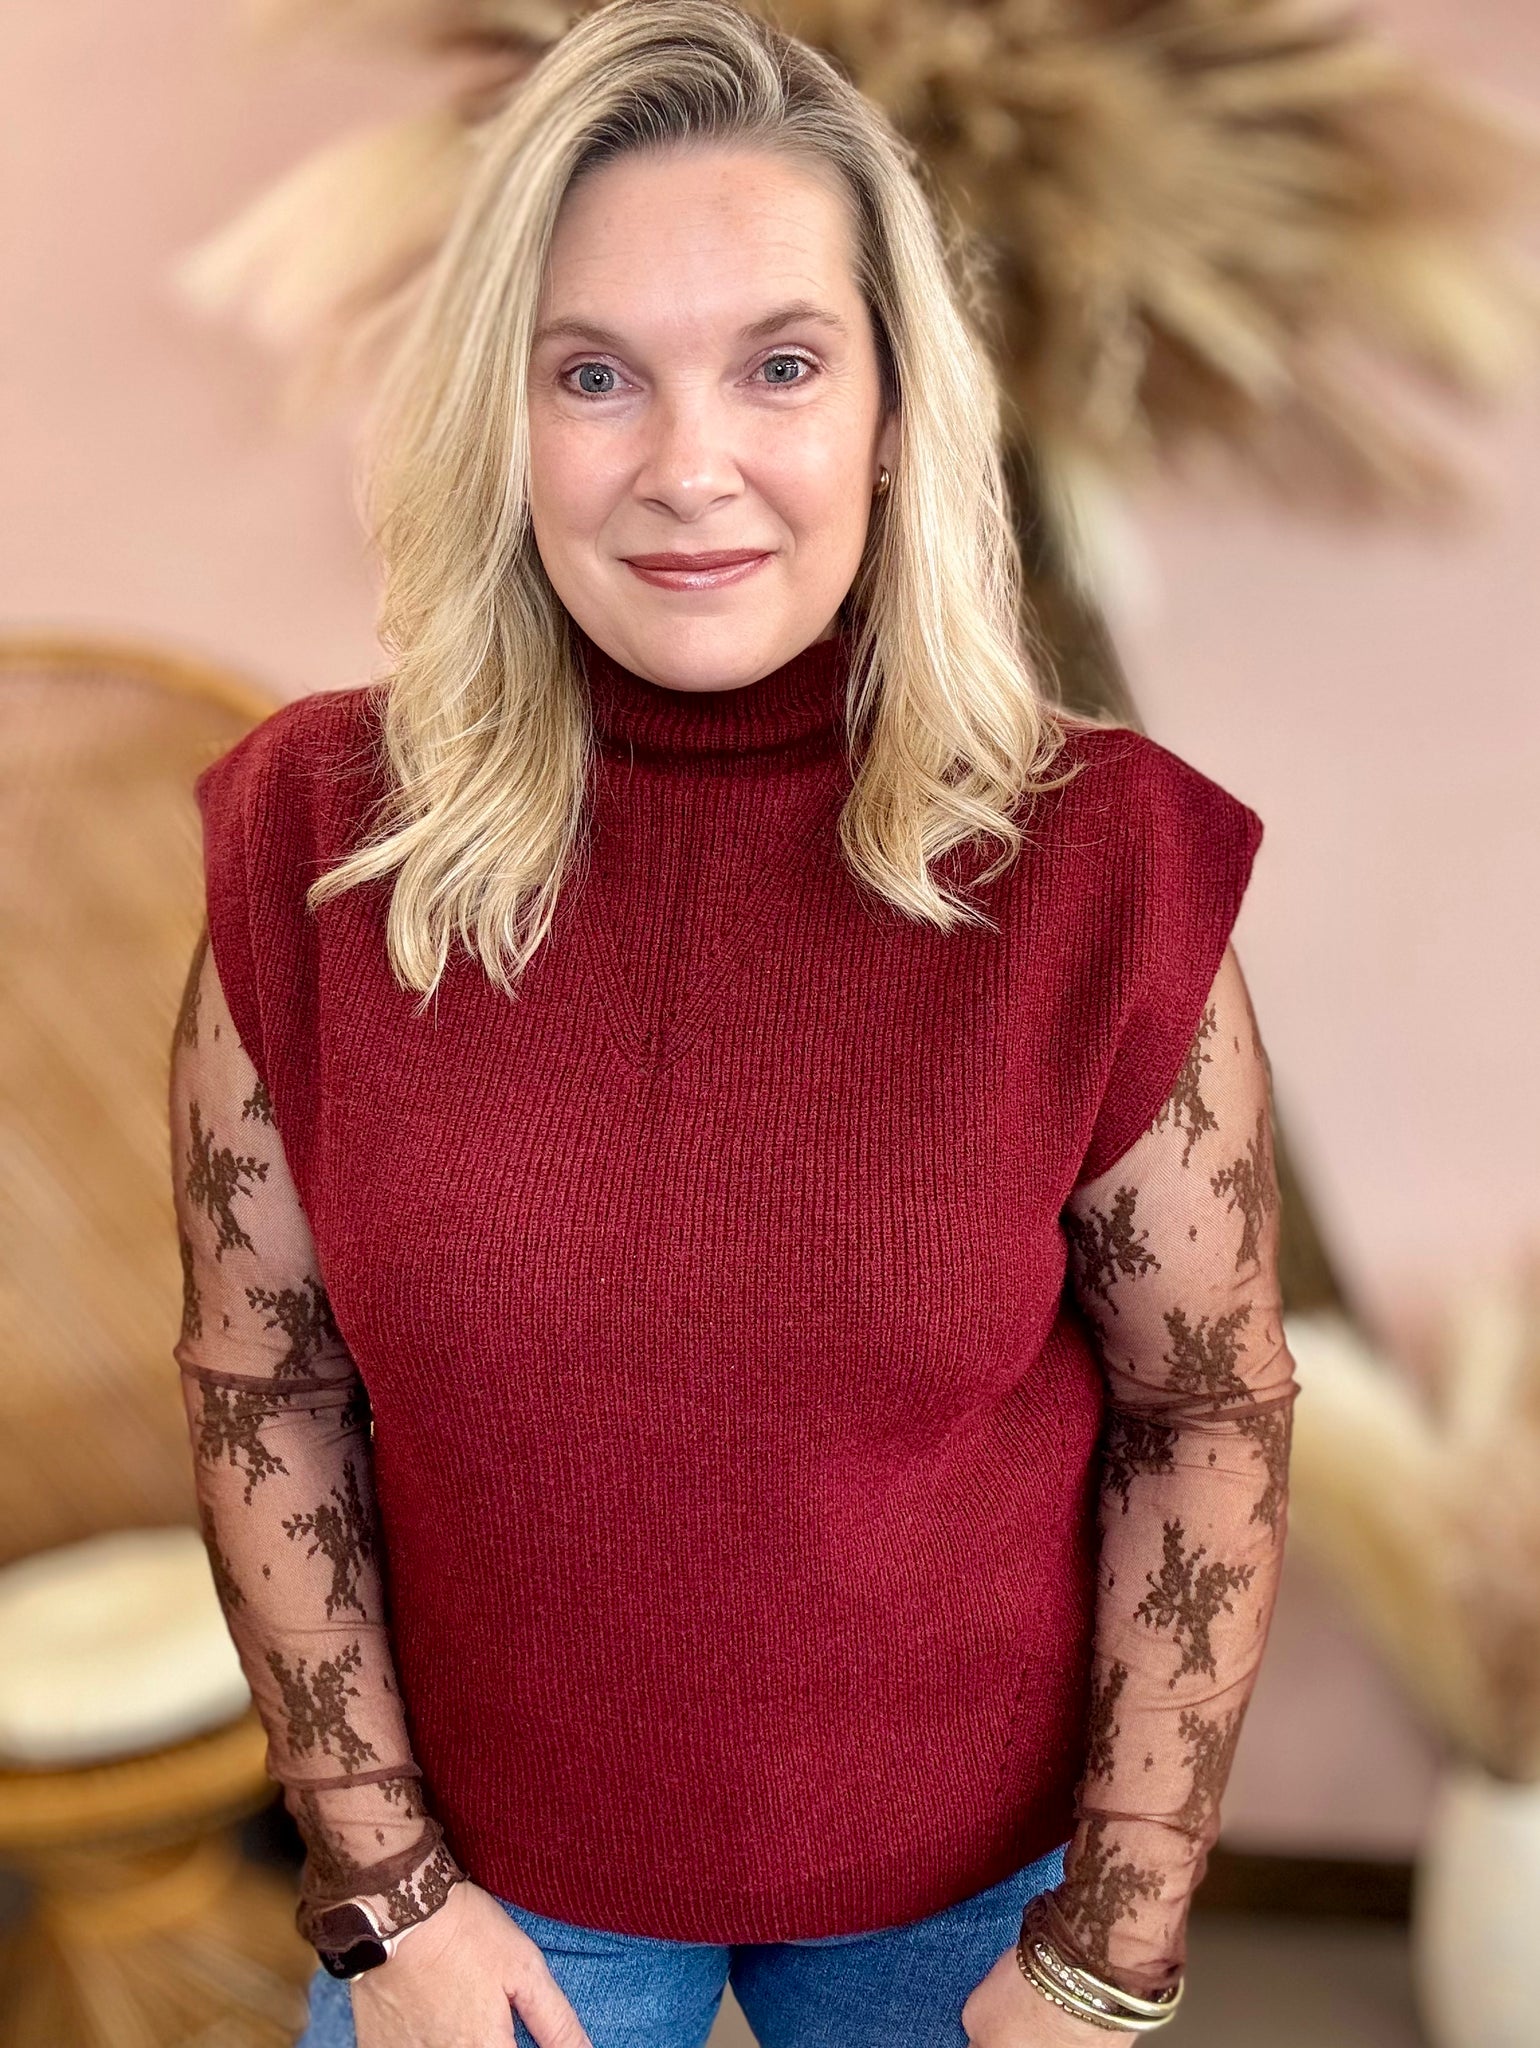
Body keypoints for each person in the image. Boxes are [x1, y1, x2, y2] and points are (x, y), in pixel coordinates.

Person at [168, 1, 1299, 2042]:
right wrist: (384, 1899)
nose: (689, 468)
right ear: (497, 420)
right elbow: (267, 1375)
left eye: (778, 364)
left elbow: (1197, 1407)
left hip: (974, 1916)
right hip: (487, 1897)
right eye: (593, 374)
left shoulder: (1097, 864)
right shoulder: (313, 845)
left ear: (887, 405)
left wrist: (1105, 1953)